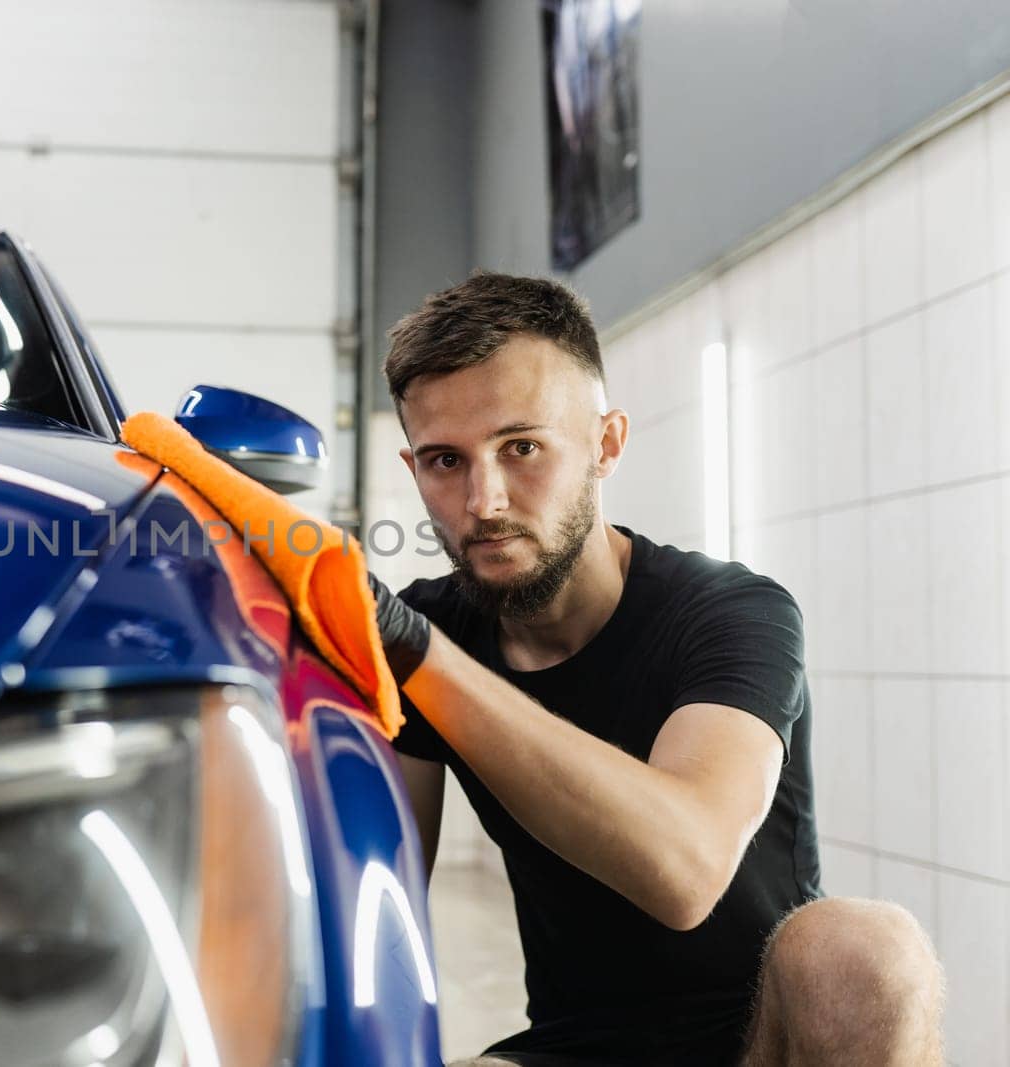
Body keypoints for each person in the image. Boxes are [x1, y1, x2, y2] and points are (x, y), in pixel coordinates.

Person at [368, 271, 944, 1066]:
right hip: (580, 1047)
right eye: (445, 461)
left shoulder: (734, 611)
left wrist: (423, 656)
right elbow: (375, 896)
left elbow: (685, 870)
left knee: (862, 947)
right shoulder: (421, 629)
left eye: (522, 447)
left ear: (606, 444)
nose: (484, 500)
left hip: (765, 1042)